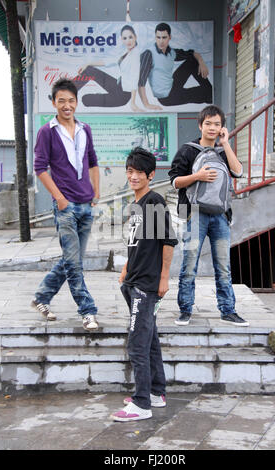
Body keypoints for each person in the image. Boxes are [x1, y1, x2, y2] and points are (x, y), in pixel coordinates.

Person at [111, 147, 178, 422]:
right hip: (133, 280)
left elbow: (168, 241)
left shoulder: (154, 202)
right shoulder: (138, 205)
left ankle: (140, 404)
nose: (133, 176)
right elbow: (135, 243)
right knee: (149, 339)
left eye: (139, 172)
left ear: (150, 175)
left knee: (137, 343)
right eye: (130, 171)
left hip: (146, 285)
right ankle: (155, 392)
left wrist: (163, 278)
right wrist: (126, 269)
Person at [169, 105, 249, 327]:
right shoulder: (188, 150)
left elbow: (238, 171)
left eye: (217, 124)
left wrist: (225, 143)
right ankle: (185, 310)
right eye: (208, 123)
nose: (212, 128)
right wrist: (198, 176)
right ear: (200, 125)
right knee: (189, 264)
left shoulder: (223, 150)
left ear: (222, 127)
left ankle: (228, 310)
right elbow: (174, 181)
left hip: (220, 215)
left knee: (223, 266)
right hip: (194, 213)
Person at [32, 78, 100, 332]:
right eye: (61, 101)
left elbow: (92, 161)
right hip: (65, 207)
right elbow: (40, 168)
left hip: (86, 204)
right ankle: (87, 310)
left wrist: (96, 191)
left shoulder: (85, 129)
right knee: (74, 262)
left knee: (72, 259)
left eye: (71, 100)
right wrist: (59, 199)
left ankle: (41, 297)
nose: (66, 105)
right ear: (53, 103)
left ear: (76, 103)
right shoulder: (46, 132)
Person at [138, 22, 212, 110]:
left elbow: (192, 53)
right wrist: (146, 104)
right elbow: (141, 81)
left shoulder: (171, 52)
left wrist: (201, 62)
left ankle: (209, 91)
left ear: (169, 37)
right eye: (158, 37)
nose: (161, 41)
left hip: (173, 86)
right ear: (155, 38)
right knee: (205, 93)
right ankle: (209, 92)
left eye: (164, 37)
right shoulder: (148, 54)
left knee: (192, 60)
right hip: (166, 98)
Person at [75, 25, 143, 112]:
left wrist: (133, 102)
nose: (128, 41)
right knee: (89, 70)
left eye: (130, 37)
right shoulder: (126, 52)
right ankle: (64, 93)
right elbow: (108, 61)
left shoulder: (135, 55)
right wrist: (88, 63)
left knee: (86, 100)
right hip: (119, 87)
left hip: (122, 96)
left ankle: (68, 96)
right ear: (122, 39)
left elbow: (134, 78)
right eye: (125, 38)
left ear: (135, 37)